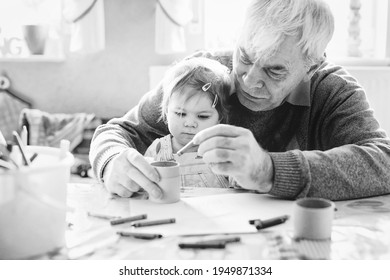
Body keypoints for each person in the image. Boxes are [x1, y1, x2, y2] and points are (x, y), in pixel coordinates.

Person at [90, 0, 390, 201]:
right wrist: (111, 161)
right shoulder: (203, 73)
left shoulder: (331, 89)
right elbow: (118, 131)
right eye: (244, 57)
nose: (247, 80)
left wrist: (268, 170)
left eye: (274, 70)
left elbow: (384, 163)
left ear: (310, 67)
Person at [144, 57, 231, 189]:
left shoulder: (222, 150)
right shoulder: (157, 150)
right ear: (166, 112)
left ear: (220, 118)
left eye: (202, 116)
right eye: (180, 114)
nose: (190, 124)